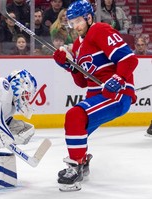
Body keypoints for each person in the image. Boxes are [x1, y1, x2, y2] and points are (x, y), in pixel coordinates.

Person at [53, 0, 138, 191]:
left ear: (89, 17)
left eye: (78, 21)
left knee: (74, 115)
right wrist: (69, 66)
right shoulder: (77, 45)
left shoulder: (99, 30)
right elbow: (83, 82)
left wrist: (116, 80)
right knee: (75, 124)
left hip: (116, 94)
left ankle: (74, 167)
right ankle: (81, 162)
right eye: (72, 23)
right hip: (97, 95)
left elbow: (129, 59)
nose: (75, 26)